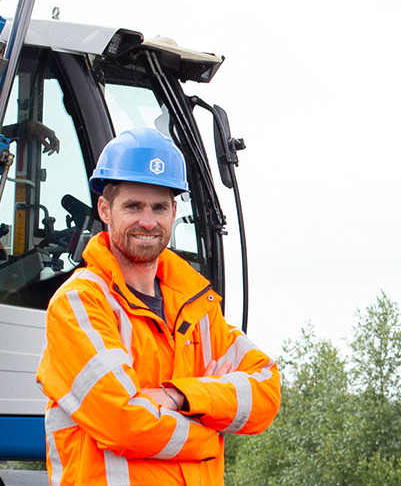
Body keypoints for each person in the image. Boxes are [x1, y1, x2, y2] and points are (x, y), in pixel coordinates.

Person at [37, 128, 279, 485]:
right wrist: (209, 428)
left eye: (159, 208)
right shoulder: (81, 303)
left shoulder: (197, 307)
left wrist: (178, 396)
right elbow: (124, 424)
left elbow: (266, 391)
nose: (148, 221)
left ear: (174, 211)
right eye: (133, 206)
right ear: (105, 209)